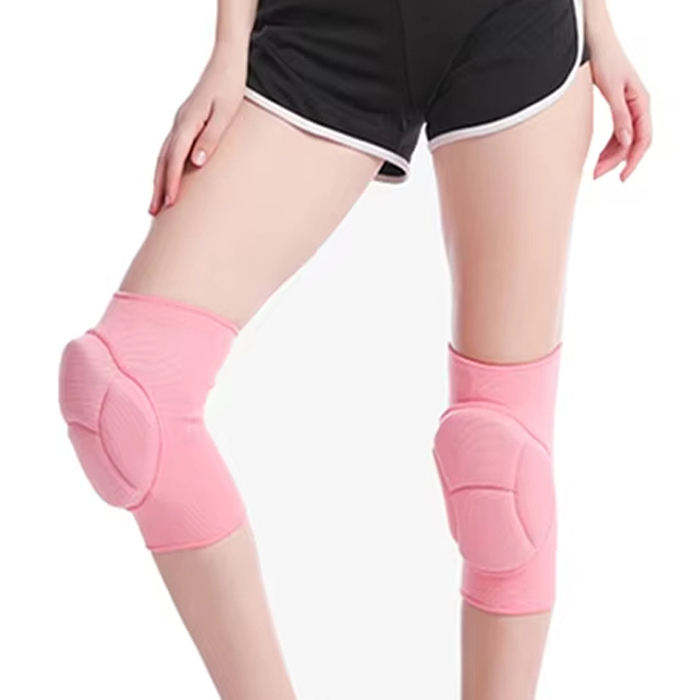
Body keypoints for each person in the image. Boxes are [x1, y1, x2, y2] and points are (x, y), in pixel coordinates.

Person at [57, 0, 651, 697]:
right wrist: (228, 47)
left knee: (501, 464)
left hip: (513, 27)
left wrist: (602, 30)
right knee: (129, 388)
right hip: (327, 26)